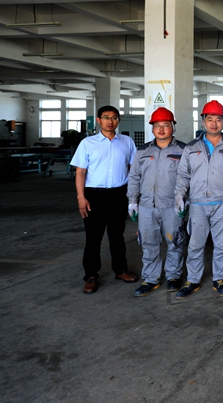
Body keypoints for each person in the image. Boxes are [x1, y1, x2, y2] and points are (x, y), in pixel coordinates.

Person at [174, 100, 223, 299]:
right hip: (197, 203)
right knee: (196, 244)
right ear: (203, 121)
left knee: (222, 244)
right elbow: (183, 175)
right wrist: (179, 196)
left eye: (218, 119)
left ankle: (219, 279)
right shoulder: (191, 147)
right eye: (210, 119)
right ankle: (193, 280)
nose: (214, 123)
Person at [71, 105, 138, 294]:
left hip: (119, 194)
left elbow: (133, 169)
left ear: (119, 120)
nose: (110, 121)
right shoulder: (87, 143)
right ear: (99, 120)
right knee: (93, 238)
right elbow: (80, 172)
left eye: (114, 117)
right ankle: (91, 276)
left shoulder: (127, 142)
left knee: (117, 236)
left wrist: (134, 195)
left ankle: (121, 270)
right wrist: (81, 197)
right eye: (106, 117)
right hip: (94, 196)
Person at [127, 107, 186, 297]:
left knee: (174, 241)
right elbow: (134, 177)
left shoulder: (183, 150)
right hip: (147, 207)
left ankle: (173, 276)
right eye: (157, 125)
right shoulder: (142, 151)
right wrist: (132, 201)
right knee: (148, 243)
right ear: (152, 128)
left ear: (173, 127)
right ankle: (151, 279)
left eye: (165, 125)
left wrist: (185, 200)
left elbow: (189, 177)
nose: (161, 129)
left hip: (172, 207)